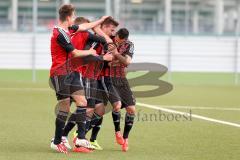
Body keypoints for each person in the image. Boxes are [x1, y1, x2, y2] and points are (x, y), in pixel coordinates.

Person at [49, 4, 109, 154]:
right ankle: (57, 141)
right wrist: (90, 52)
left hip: (71, 72)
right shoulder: (59, 33)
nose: (75, 18)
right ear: (68, 17)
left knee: (82, 102)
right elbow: (75, 53)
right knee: (65, 107)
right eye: (74, 16)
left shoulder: (69, 29)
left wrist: (99, 20)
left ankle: (80, 138)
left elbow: (85, 26)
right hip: (60, 73)